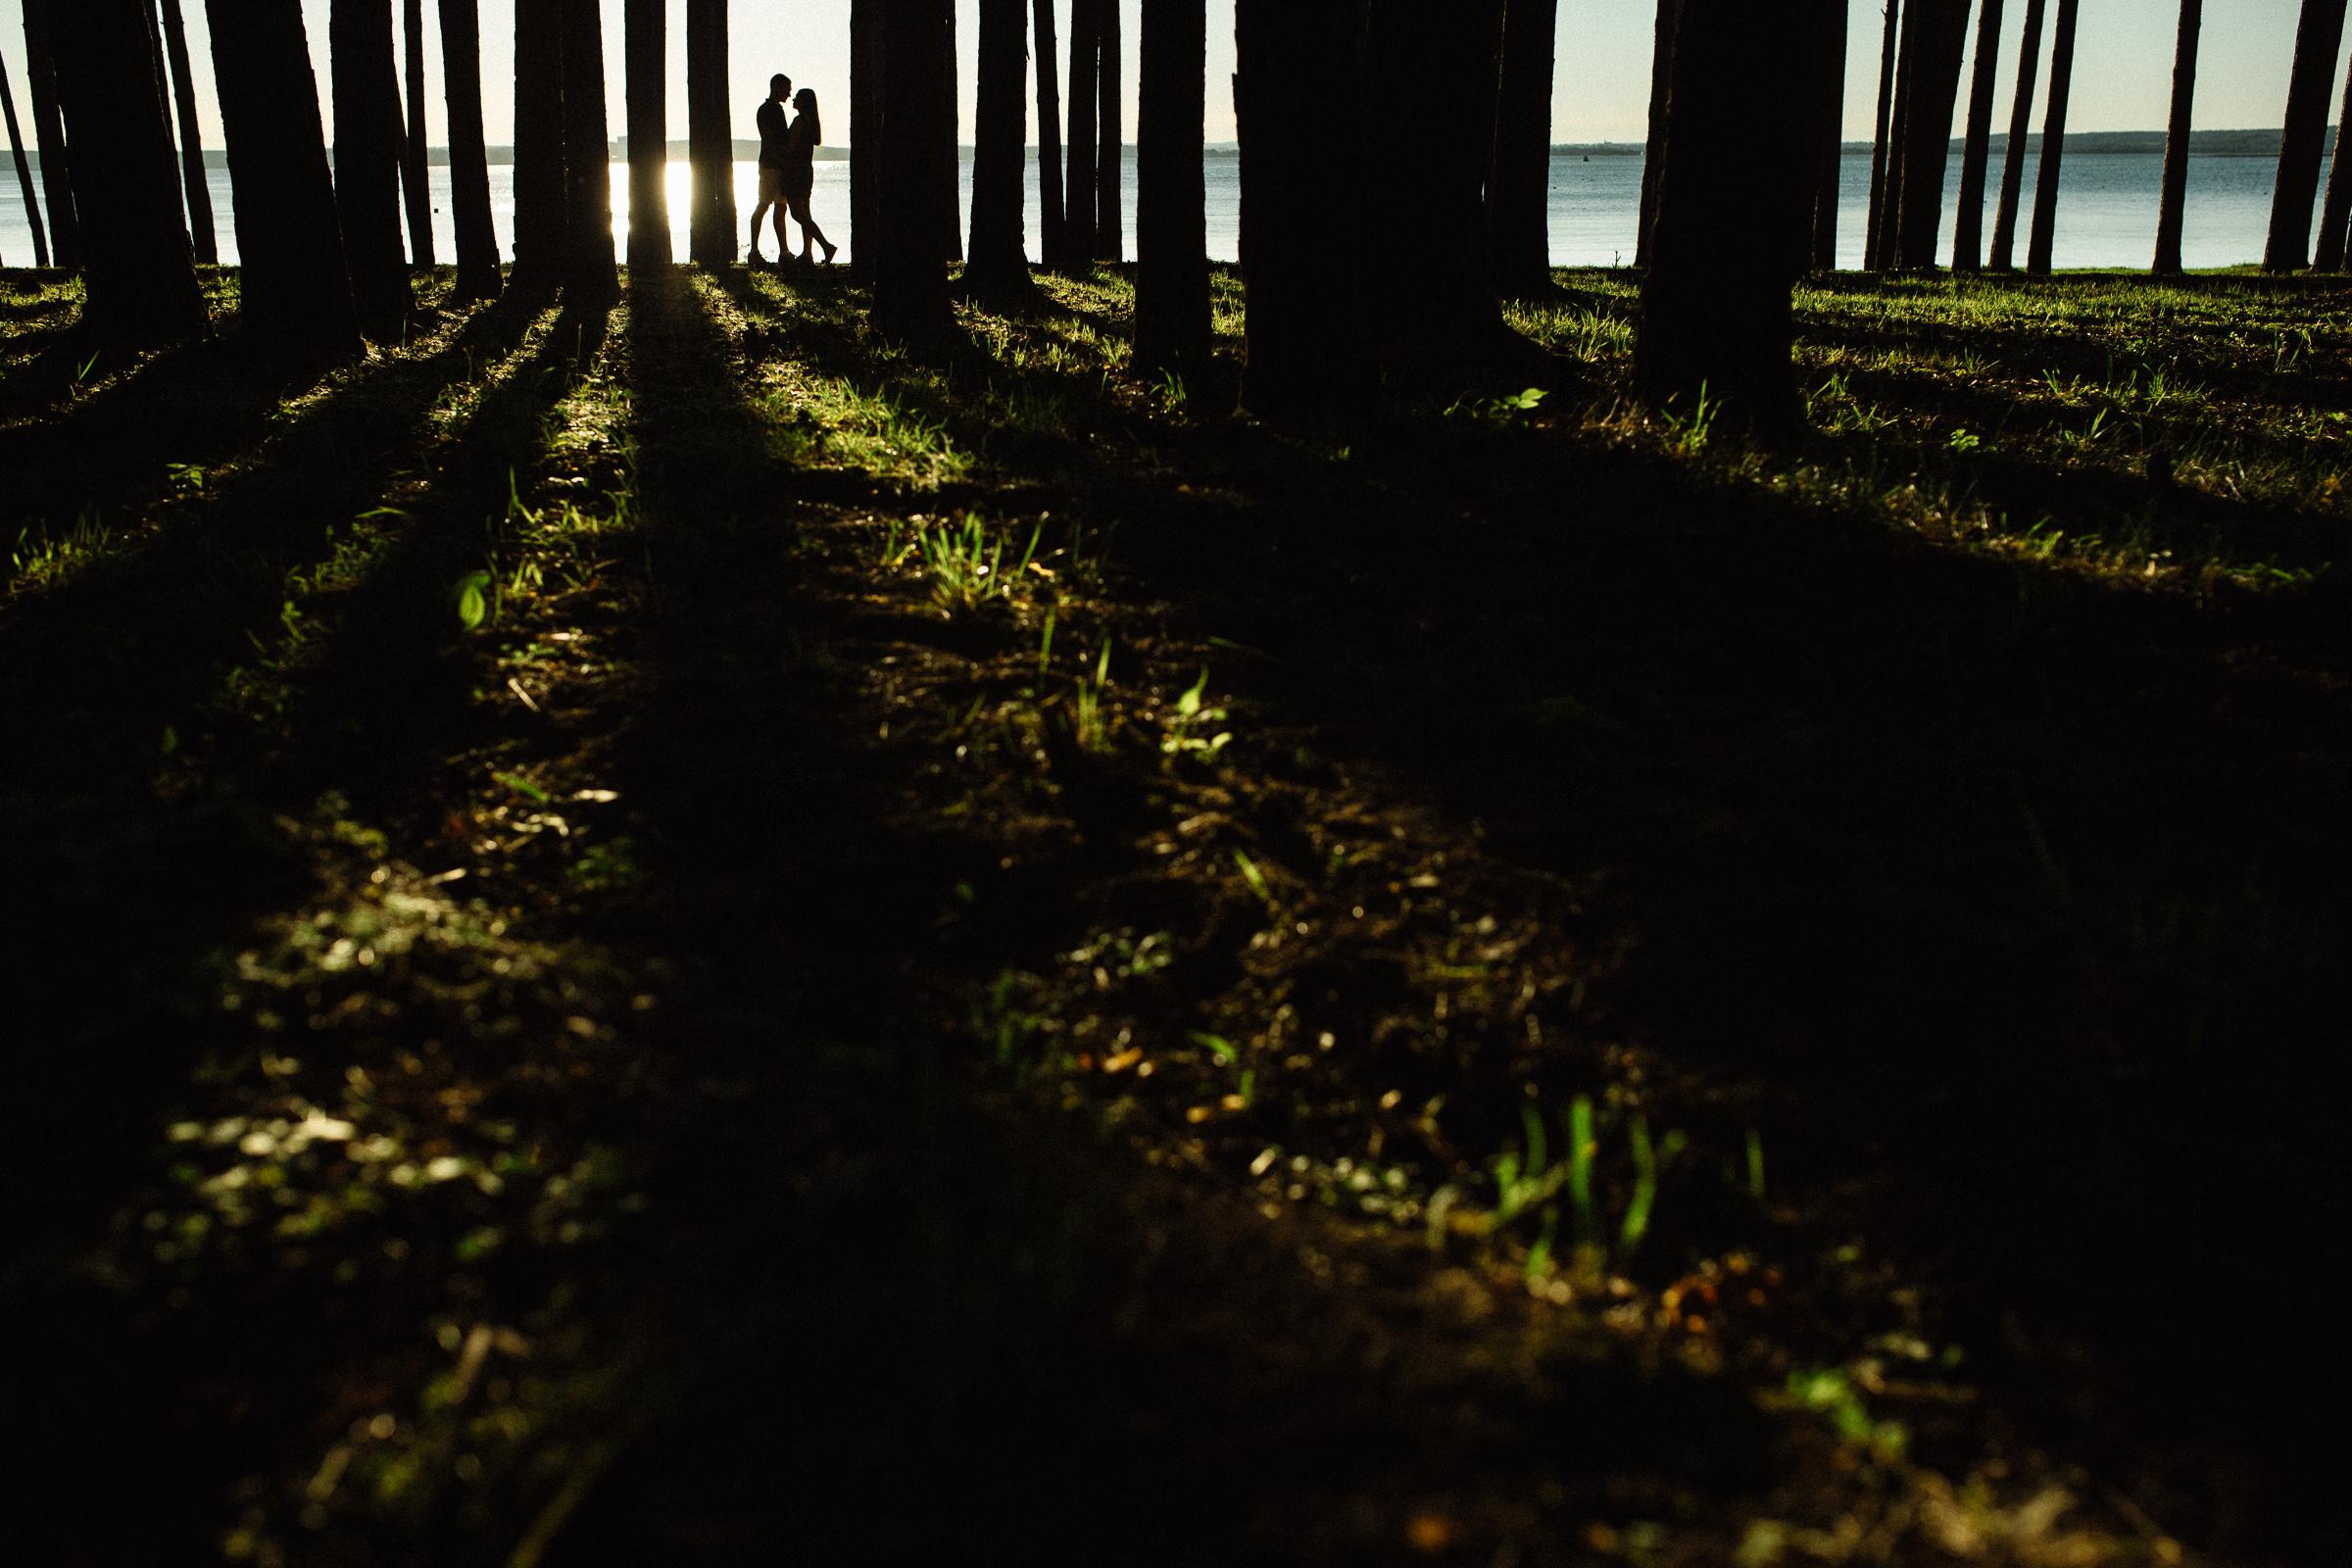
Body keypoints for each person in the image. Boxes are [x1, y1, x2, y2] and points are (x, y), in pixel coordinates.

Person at [781, 88, 838, 267]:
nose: (793, 100)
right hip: (806, 171)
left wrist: (777, 151)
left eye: (797, 97)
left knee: (797, 213)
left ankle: (826, 246)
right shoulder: (811, 122)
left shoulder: (799, 121)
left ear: (803, 102)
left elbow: (790, 147)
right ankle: (807, 253)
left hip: (795, 172)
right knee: (805, 212)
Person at [748, 74, 793, 267]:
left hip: (779, 165)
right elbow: (769, 139)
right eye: (787, 89)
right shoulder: (766, 110)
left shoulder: (776, 110)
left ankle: (784, 251)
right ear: (776, 87)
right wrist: (781, 159)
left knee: (781, 207)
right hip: (770, 165)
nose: (789, 94)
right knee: (764, 204)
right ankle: (754, 251)